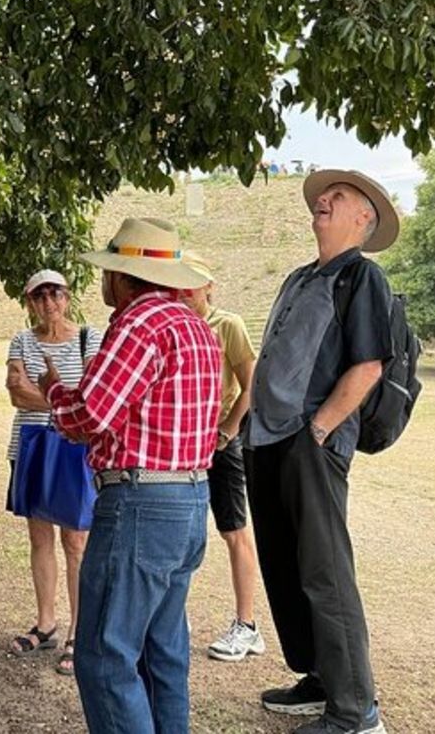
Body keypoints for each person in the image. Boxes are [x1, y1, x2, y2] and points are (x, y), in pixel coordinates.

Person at [39, 217, 221, 734]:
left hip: (142, 503)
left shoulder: (138, 324)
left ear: (121, 276)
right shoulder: (196, 326)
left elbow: (90, 415)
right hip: (190, 498)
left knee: (105, 655)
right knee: (163, 650)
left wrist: (52, 392)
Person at [245, 170, 400, 734]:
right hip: (267, 439)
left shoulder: (362, 276)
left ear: (364, 217)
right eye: (321, 196)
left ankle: (355, 711)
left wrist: (319, 429)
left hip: (309, 443)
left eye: (339, 197)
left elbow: (368, 366)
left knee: (325, 571)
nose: (324, 201)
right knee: (285, 566)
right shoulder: (299, 277)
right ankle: (319, 678)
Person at [4, 269, 102, 675]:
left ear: (67, 296)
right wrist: (65, 402)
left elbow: (94, 393)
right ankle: (46, 623)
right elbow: (16, 391)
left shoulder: (88, 338)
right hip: (31, 445)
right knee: (39, 536)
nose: (48, 303)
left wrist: (46, 393)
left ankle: (79, 632)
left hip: (76, 448)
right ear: (30, 302)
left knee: (76, 540)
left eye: (55, 294)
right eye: (39, 296)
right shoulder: (21, 341)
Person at [180, 252, 266, 663]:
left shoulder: (227, 325)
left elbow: (251, 385)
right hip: (184, 444)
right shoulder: (177, 325)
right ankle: (173, 619)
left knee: (233, 530)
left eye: (193, 281)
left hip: (219, 443)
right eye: (178, 281)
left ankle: (247, 626)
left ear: (209, 285)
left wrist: (227, 431)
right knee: (182, 532)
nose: (184, 289)